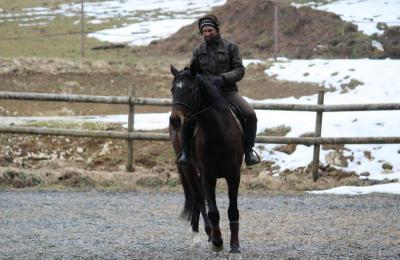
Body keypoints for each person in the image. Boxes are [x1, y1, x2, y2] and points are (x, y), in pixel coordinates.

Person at [177, 14, 260, 166]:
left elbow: (240, 70)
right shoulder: (198, 50)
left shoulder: (230, 47)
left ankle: (248, 151)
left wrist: (223, 78)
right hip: (206, 96)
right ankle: (185, 152)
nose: (207, 34)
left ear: (216, 30)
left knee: (250, 114)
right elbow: (192, 72)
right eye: (204, 32)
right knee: (188, 118)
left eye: (210, 30)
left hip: (228, 93)